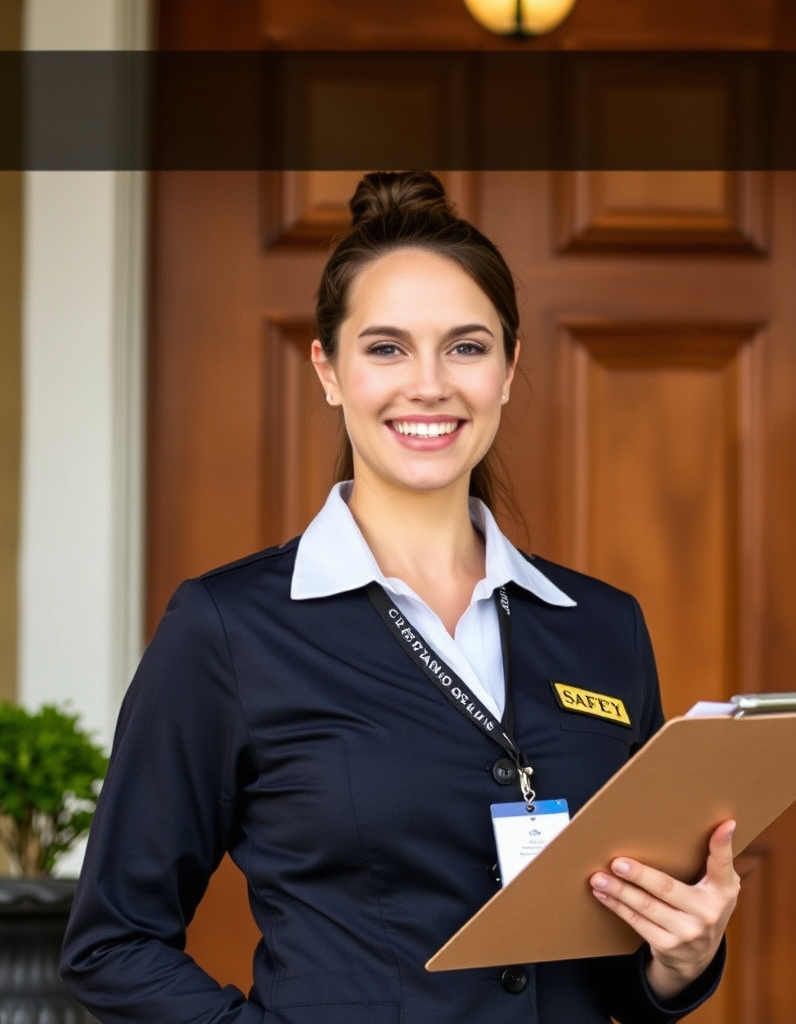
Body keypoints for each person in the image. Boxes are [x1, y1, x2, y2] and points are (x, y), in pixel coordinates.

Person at [60, 171, 739, 1024]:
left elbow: (611, 972)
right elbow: (112, 945)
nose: (429, 384)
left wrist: (681, 958)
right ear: (329, 369)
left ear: (507, 367)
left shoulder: (603, 627)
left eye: (466, 347)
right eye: (385, 348)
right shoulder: (229, 631)